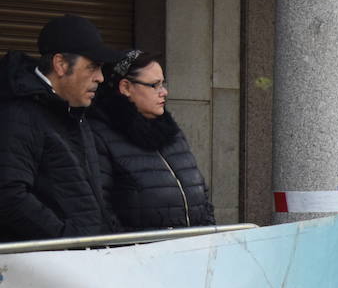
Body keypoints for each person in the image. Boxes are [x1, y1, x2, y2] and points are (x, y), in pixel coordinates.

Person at [0, 13, 121, 240]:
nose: (101, 78)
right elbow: (9, 196)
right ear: (61, 64)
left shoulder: (74, 112)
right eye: (92, 67)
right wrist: (67, 239)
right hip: (53, 265)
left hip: (86, 259)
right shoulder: (18, 114)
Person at [89, 50, 213, 230]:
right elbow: (103, 208)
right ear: (126, 88)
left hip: (193, 248)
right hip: (144, 253)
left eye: (163, 83)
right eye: (155, 85)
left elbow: (201, 191)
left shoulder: (171, 131)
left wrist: (208, 235)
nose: (164, 92)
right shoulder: (102, 135)